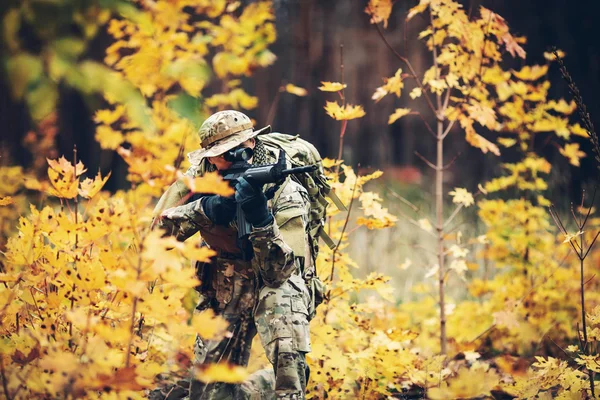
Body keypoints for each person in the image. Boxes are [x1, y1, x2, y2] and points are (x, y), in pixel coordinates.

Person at [151, 110, 313, 400]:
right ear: (209, 157)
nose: (234, 158)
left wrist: (261, 219)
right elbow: (155, 237)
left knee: (288, 370)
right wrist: (205, 209)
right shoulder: (198, 180)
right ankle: (253, 389)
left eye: (241, 149)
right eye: (222, 154)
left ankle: (285, 381)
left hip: (276, 283)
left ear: (252, 143)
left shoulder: (283, 189)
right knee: (211, 394)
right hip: (226, 280)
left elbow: (281, 271)